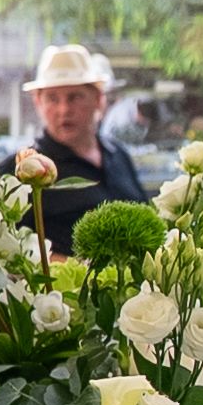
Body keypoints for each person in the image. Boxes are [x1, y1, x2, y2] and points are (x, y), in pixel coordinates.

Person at [9, 43, 150, 256]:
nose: (64, 109)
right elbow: (7, 252)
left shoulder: (119, 155)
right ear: (38, 102)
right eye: (52, 98)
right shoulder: (21, 171)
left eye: (75, 97)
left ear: (98, 100)